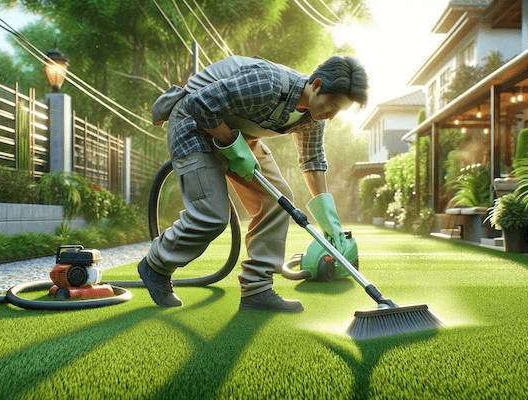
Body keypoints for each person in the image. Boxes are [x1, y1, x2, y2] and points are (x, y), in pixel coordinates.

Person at [138, 55, 368, 312]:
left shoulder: (314, 119)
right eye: (332, 104)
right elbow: (199, 104)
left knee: (278, 199)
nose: (331, 115)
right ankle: (156, 265)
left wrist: (329, 220)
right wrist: (232, 147)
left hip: (236, 135)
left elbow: (312, 161)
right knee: (211, 217)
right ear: (315, 84)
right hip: (192, 125)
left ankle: (257, 289)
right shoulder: (268, 83)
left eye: (339, 111)